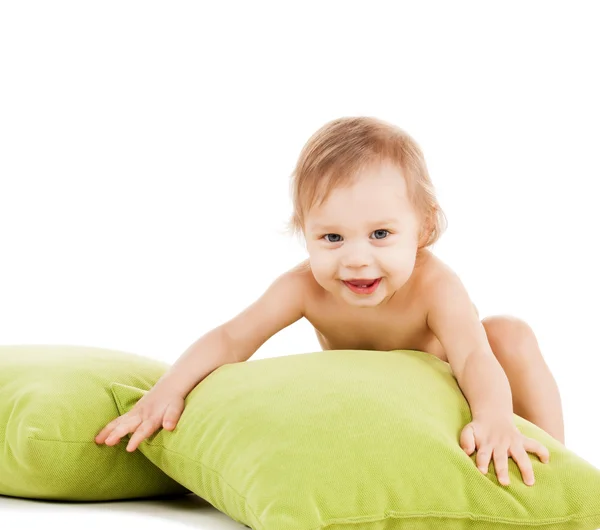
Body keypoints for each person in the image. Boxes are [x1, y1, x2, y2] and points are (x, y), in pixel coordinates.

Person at [95, 116, 564, 487]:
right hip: (379, 411)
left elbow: (473, 356)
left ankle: (558, 458)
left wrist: (494, 416)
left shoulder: (436, 285)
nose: (357, 260)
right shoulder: (303, 288)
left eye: (381, 234)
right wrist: (168, 389)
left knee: (508, 332)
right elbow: (232, 338)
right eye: (332, 237)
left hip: (454, 395)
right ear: (306, 234)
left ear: (422, 229)